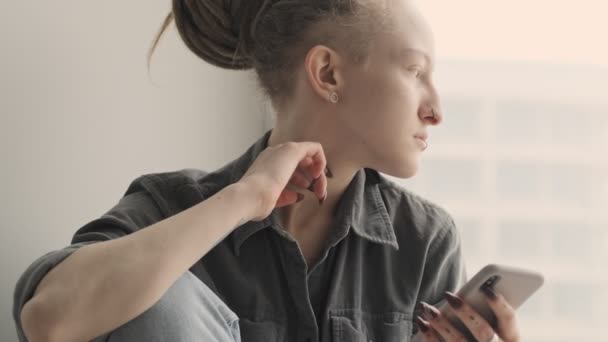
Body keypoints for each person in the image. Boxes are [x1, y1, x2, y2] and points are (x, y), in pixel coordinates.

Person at [13, 0, 523, 341]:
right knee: (157, 291)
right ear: (328, 73)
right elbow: (48, 320)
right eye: (415, 72)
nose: (436, 109)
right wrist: (243, 198)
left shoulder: (424, 241)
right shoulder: (172, 207)